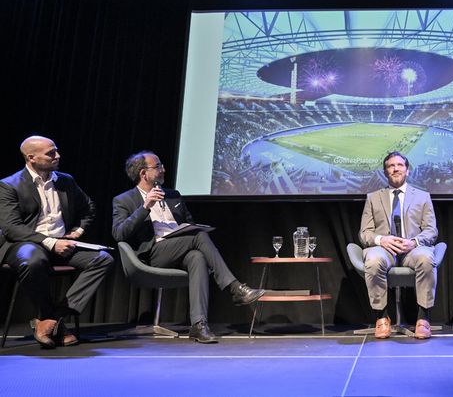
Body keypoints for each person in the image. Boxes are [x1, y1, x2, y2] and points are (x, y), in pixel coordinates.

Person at [112, 150, 265, 343]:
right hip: (153, 254)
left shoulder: (173, 195)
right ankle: (235, 288)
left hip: (179, 249)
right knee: (198, 236)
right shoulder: (124, 200)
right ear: (144, 173)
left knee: (197, 257)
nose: (163, 169)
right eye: (158, 166)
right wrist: (145, 207)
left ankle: (199, 325)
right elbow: (119, 233)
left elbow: (189, 223)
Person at [0, 136, 114, 348]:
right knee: (32, 261)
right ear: (31, 158)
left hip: (61, 241)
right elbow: (12, 227)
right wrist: (51, 243)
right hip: (26, 243)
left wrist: (77, 231)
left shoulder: (65, 180)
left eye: (56, 151)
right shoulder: (8, 185)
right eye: (50, 153)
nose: (57, 156)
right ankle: (52, 318)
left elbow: (89, 207)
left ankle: (54, 319)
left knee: (103, 259)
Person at [359, 151, 438, 339]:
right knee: (373, 259)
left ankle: (423, 318)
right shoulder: (373, 198)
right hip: (385, 250)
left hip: (413, 249)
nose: (395, 169)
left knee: (426, 257)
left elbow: (431, 230)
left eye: (399, 165)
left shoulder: (423, 197)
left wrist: (414, 242)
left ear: (407, 170)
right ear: (385, 172)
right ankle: (382, 317)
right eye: (390, 166)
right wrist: (381, 240)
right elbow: (365, 233)